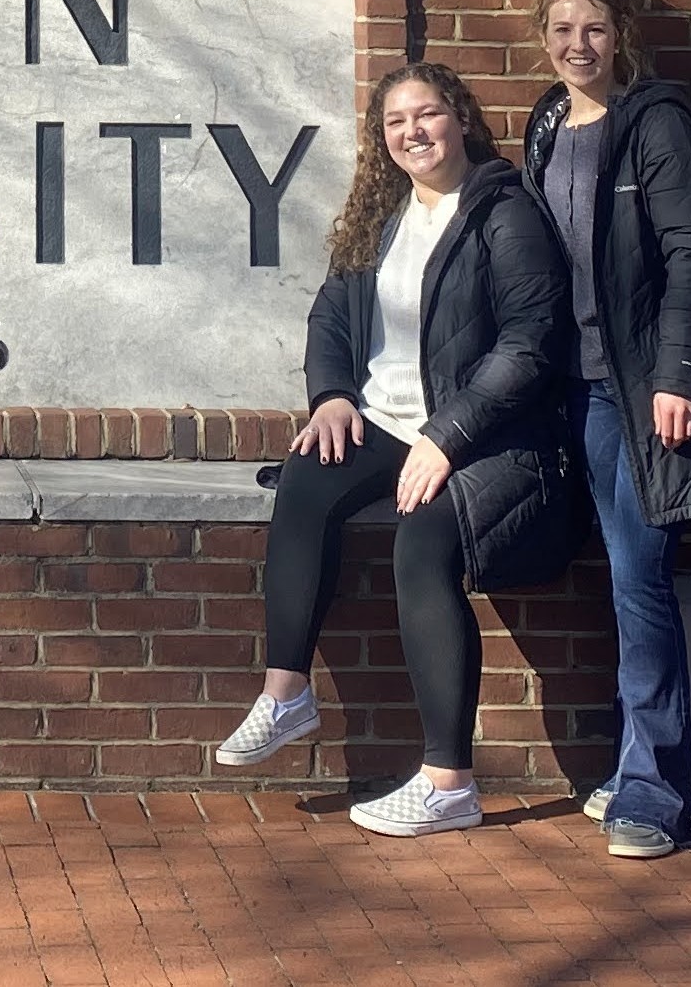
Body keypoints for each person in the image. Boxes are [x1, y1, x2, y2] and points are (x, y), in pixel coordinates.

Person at [219, 62, 569, 834]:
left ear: (461, 119)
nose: (413, 132)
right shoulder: (382, 214)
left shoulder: (504, 215)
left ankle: (449, 782)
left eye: (429, 114)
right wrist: (335, 396)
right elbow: (332, 317)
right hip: (385, 419)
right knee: (307, 481)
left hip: (489, 435)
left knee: (422, 545)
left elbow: (529, 345)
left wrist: (448, 436)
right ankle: (286, 694)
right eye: (395, 122)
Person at [519, 0, 691, 860]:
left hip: (635, 388)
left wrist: (678, 374)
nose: (578, 44)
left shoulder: (656, 124)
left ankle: (657, 790)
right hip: (559, 389)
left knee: (641, 580)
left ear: (622, 36)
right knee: (609, 575)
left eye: (594, 28)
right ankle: (634, 758)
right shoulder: (545, 122)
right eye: (562, 30)